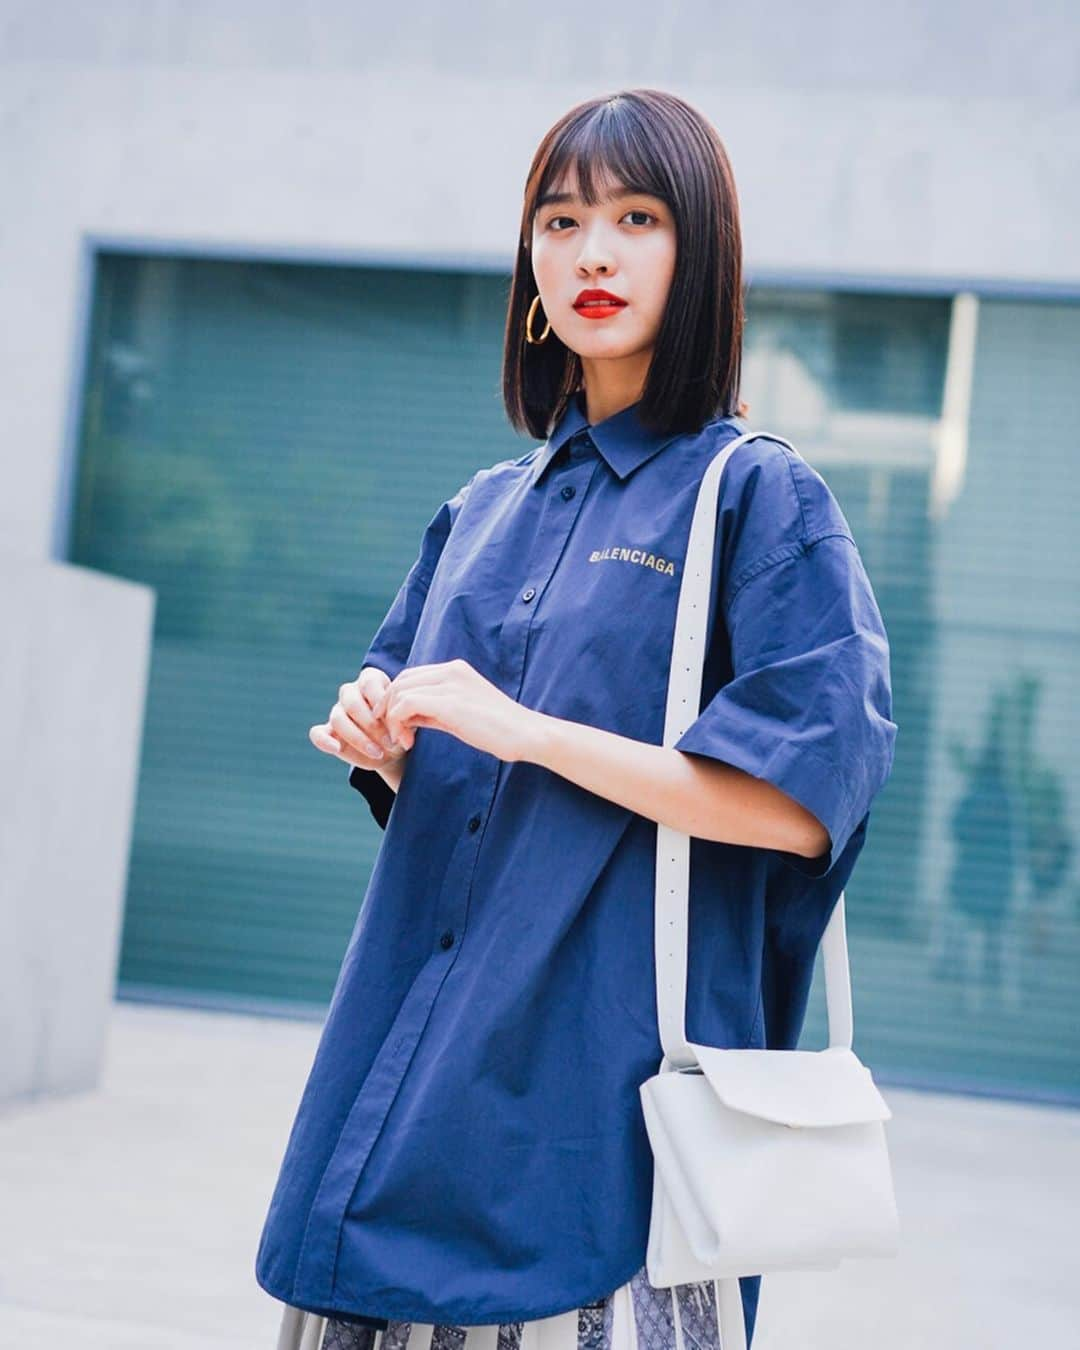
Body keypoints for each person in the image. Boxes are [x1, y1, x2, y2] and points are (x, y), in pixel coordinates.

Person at [255, 88, 898, 1350]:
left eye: (635, 216)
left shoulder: (754, 499)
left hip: (594, 1128)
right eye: (560, 219)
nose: (591, 250)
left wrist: (525, 728)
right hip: (401, 1093)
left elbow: (798, 803)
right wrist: (384, 739)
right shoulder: (482, 509)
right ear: (532, 270)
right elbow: (448, 793)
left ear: (697, 250)